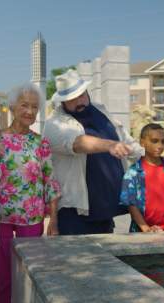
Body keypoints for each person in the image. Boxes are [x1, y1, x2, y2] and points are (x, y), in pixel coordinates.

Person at [0, 83, 61, 303]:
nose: (29, 111)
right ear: (12, 107)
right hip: (1, 220)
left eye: (34, 107)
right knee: (2, 283)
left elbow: (49, 181)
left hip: (31, 219)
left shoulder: (40, 143)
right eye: (24, 105)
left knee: (29, 282)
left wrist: (53, 218)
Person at [43, 69, 143, 235]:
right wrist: (109, 145)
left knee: (104, 259)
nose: (79, 101)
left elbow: (124, 139)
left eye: (81, 95)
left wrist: (148, 155)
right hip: (75, 213)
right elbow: (77, 143)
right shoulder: (54, 124)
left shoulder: (100, 110)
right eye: (72, 99)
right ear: (62, 102)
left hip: (105, 209)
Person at [119, 123, 164, 232]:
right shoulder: (133, 172)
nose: (160, 145)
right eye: (154, 141)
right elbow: (131, 204)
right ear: (142, 142)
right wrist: (145, 228)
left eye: (163, 141)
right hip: (141, 232)